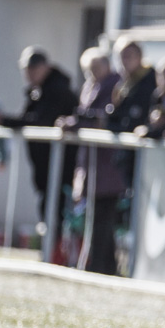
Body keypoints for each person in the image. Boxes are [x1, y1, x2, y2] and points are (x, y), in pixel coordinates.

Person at [0, 46, 80, 225]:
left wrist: (5, 120)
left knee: (56, 211)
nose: (29, 74)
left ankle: (55, 251)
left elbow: (39, 121)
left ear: (45, 67)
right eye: (27, 69)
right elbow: (29, 118)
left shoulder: (57, 90)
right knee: (47, 208)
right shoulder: (38, 91)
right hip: (44, 164)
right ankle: (51, 250)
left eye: (33, 68)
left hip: (60, 165)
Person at [67, 47, 124, 274]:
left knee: (104, 217)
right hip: (91, 164)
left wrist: (76, 123)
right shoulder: (89, 86)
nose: (93, 73)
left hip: (108, 165)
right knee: (95, 216)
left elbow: (103, 119)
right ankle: (104, 264)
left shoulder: (115, 85)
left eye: (96, 68)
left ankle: (102, 265)